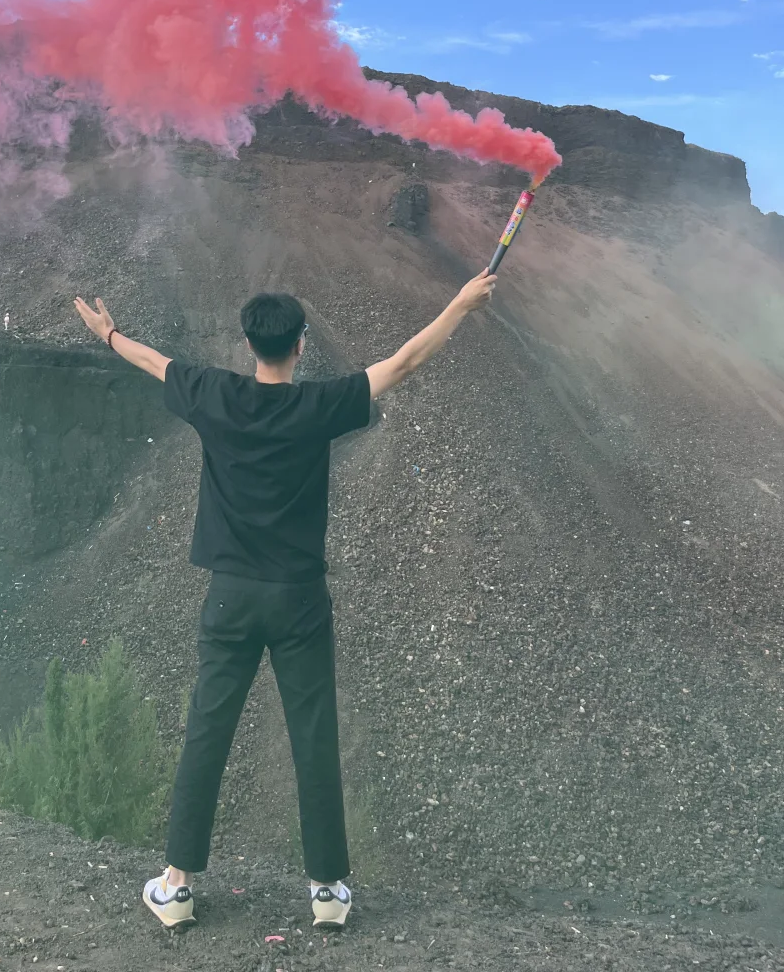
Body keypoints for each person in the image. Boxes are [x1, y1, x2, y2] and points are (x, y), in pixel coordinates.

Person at [73, 268, 497, 931]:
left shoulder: (214, 394)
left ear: (249, 344)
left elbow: (154, 362)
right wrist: (461, 304)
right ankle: (327, 892)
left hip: (231, 597)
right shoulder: (317, 407)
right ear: (301, 344)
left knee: (207, 733)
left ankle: (177, 888)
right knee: (313, 736)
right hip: (299, 600)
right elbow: (405, 362)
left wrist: (109, 334)